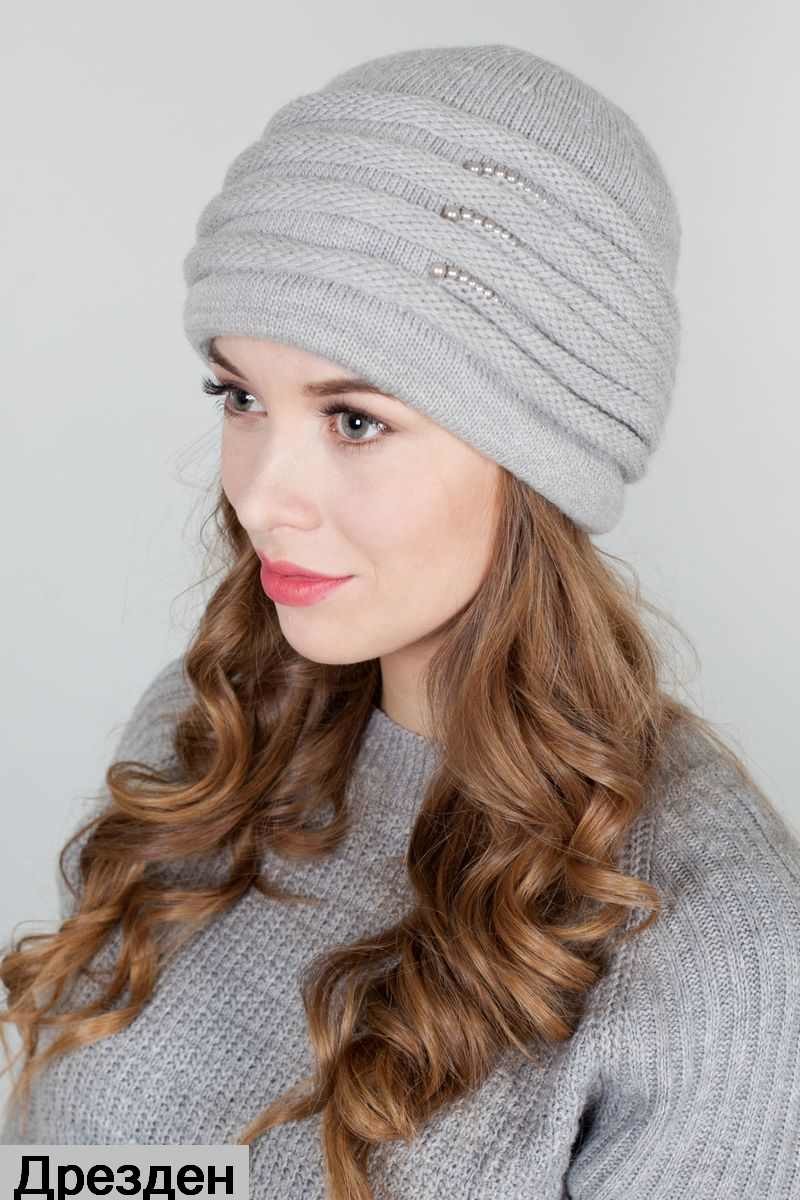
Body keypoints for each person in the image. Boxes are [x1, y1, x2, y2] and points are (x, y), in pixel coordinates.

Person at [2, 42, 799, 1200]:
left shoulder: (716, 943)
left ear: (541, 459)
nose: (261, 497)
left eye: (355, 420)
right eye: (240, 397)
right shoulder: (216, 723)